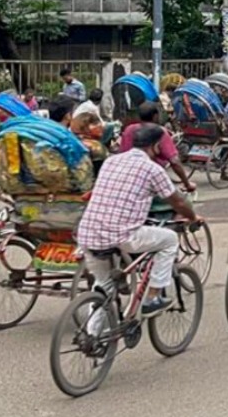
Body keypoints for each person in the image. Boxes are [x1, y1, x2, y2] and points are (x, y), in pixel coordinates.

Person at [75, 124, 199, 315]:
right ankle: (153, 297)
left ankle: (93, 336)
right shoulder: (152, 169)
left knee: (104, 287)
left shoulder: (111, 161)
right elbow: (178, 202)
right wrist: (193, 217)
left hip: (87, 234)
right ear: (156, 146)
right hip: (122, 236)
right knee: (169, 240)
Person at [119, 101, 195, 193]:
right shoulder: (158, 131)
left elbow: (122, 152)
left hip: (125, 177)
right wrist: (187, 184)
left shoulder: (129, 129)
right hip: (150, 179)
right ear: (155, 116)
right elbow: (174, 161)